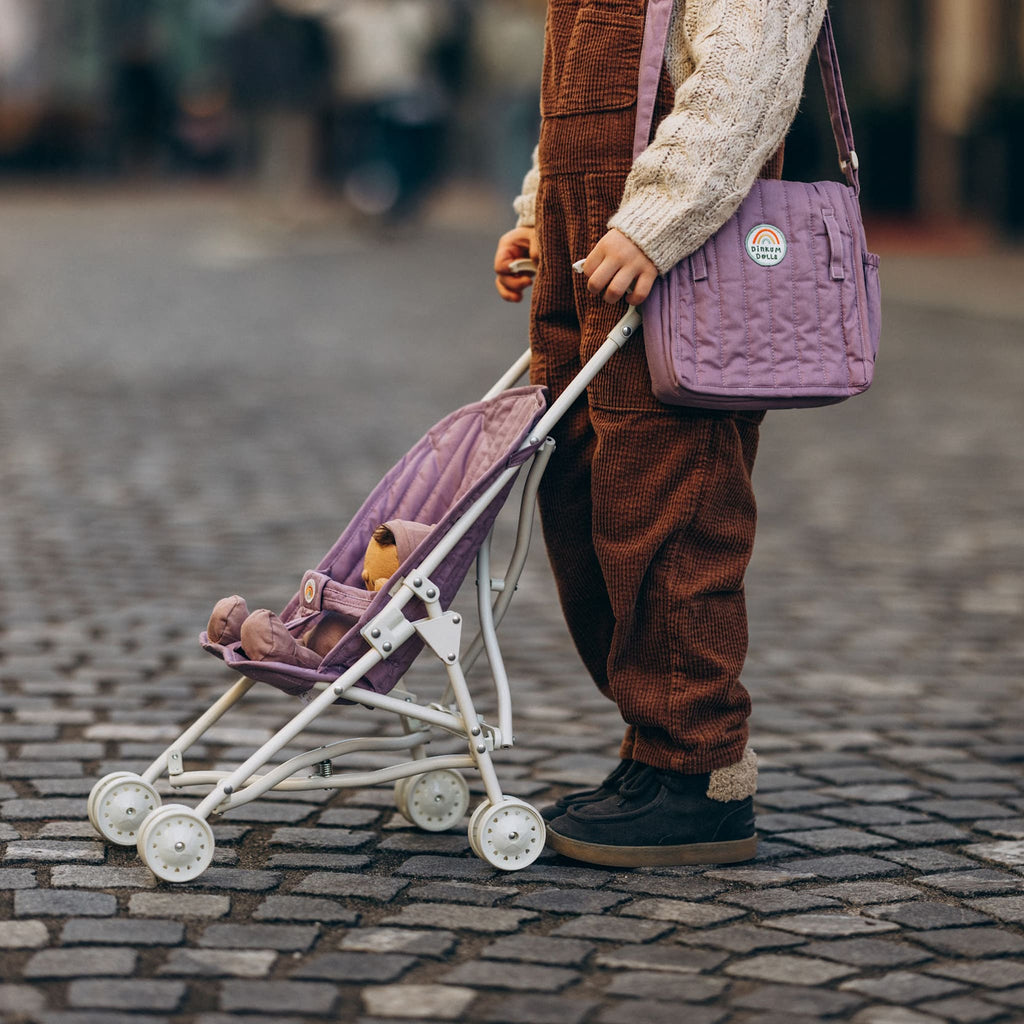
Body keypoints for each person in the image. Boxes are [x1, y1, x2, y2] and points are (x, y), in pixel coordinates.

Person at [493, 0, 829, 867]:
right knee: (588, 494)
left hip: (678, 260)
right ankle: (654, 749)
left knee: (672, 505)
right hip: (586, 255)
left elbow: (744, 86)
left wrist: (656, 219)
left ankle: (702, 772)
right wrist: (539, 209)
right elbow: (578, 104)